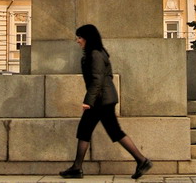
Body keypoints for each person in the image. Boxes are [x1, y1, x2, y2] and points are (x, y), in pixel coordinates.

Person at [59, 24, 152, 179]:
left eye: (80, 37)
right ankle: (141, 160)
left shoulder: (95, 54)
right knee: (101, 131)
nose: (78, 40)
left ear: (88, 38)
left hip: (101, 100)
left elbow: (97, 80)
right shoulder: (95, 53)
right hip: (103, 99)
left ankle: (141, 160)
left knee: (91, 131)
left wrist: (88, 101)